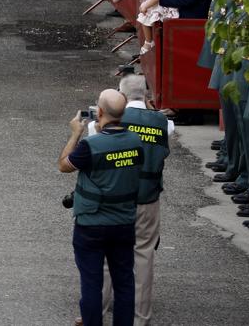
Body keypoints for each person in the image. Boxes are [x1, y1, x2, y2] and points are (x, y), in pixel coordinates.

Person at [88, 76, 173, 326]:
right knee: (144, 254)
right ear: (146, 95)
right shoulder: (163, 123)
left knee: (104, 256)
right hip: (147, 198)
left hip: (113, 200)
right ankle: (141, 318)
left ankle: (96, 314)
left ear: (121, 96)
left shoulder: (103, 123)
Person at [58, 88, 144, 326]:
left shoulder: (91, 146)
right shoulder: (136, 141)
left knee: (92, 284)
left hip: (91, 225)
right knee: (125, 282)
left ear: (101, 112)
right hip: (124, 223)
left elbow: (64, 166)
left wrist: (76, 134)